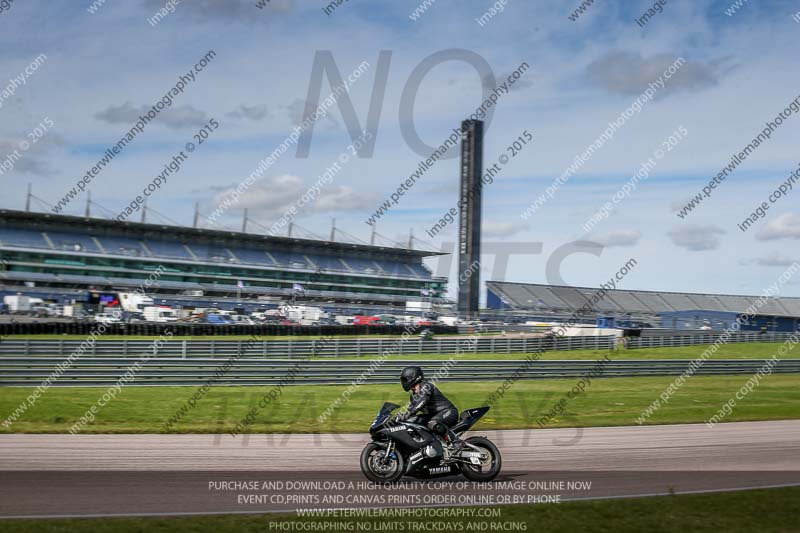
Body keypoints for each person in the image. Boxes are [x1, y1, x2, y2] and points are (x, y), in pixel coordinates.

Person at [397, 366, 464, 452]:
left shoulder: (426, 387)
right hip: (434, 415)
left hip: (449, 412)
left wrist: (408, 414)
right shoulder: (413, 395)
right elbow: (411, 408)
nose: (404, 382)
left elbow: (420, 403)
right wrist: (402, 417)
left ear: (413, 377)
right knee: (412, 421)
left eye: (405, 380)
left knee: (433, 423)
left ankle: (456, 442)